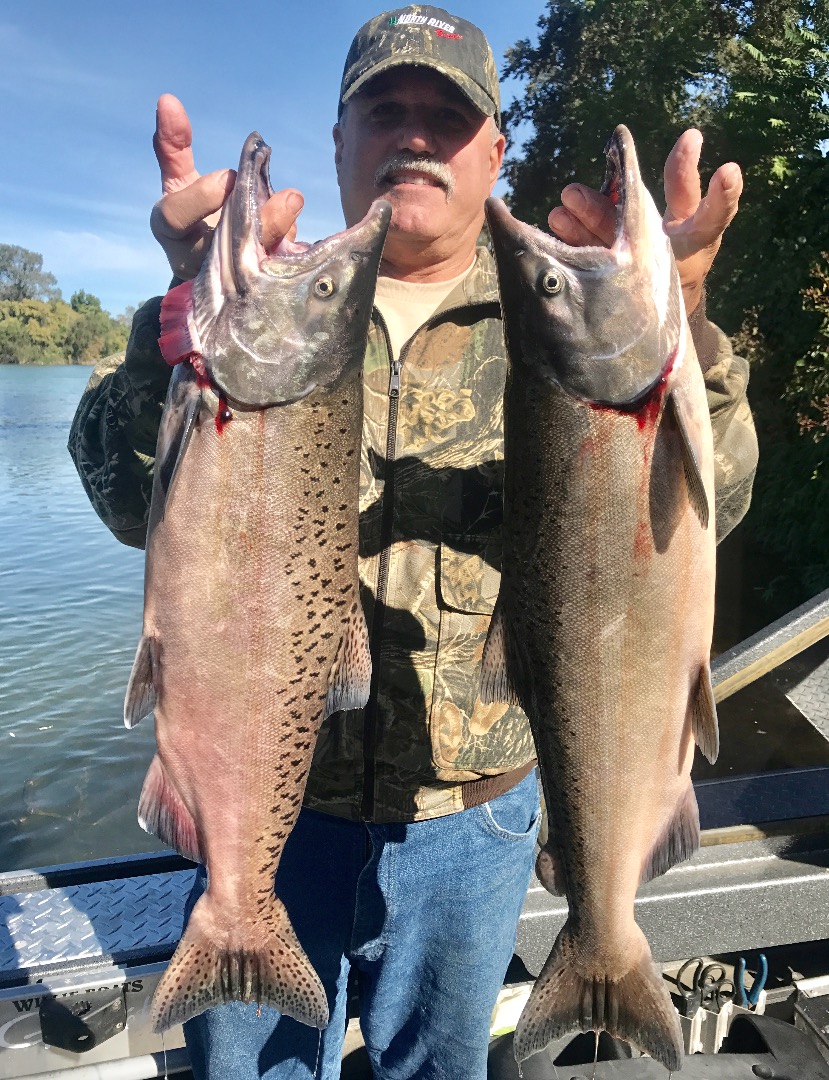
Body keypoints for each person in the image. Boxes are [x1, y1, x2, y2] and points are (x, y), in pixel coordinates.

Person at [69, 6, 758, 1079]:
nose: (415, 134)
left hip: (477, 824)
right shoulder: (260, 295)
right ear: (339, 141)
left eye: (448, 115)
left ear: (494, 149)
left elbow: (722, 498)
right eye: (384, 109)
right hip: (271, 816)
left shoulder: (553, 301)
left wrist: (690, 319)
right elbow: (122, 504)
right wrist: (171, 339)